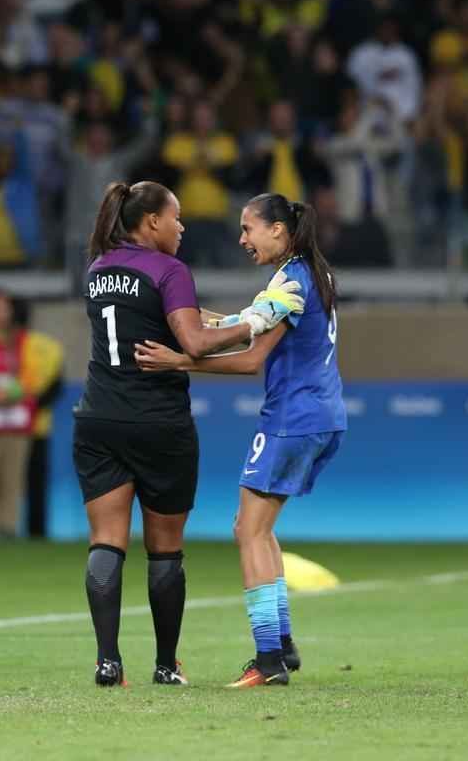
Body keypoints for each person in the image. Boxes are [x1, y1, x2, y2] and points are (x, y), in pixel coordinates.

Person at [74, 181, 302, 687]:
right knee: (164, 548)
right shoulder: (169, 270)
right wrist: (258, 321)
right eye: (176, 218)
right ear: (152, 221)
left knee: (106, 542)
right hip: (158, 421)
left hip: (98, 416)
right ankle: (164, 664)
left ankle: (108, 663)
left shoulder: (96, 270)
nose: (181, 227)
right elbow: (194, 340)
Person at [135, 192, 346, 689]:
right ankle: (284, 647)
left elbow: (251, 354)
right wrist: (199, 315)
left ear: (278, 230)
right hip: (320, 415)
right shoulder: (313, 273)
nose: (242, 238)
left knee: (247, 532)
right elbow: (248, 323)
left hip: (291, 418)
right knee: (257, 528)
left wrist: (182, 359)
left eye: (249, 228)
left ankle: (268, 659)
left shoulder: (290, 282)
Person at [0, 290, 62, 542]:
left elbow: (34, 376)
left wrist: (16, 391)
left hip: (16, 419)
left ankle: (8, 526)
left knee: (12, 478)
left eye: (7, 307)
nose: (3, 313)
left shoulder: (22, 341)